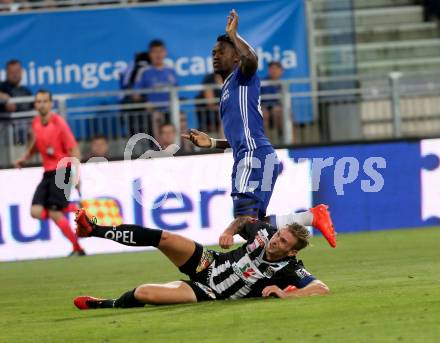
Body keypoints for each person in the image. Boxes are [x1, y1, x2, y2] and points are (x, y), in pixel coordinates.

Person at [182, 10, 336, 248]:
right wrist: (212, 143)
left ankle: (308, 226)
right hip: (255, 154)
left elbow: (252, 59)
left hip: (254, 156)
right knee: (253, 226)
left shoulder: (243, 77)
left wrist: (234, 35)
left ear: (236, 58)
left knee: (243, 223)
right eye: (213, 52)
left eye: (221, 51)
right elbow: (240, 135)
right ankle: (310, 218)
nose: (215, 55)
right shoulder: (227, 90)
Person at [73, 209, 329, 309]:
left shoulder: (291, 269)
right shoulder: (265, 232)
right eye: (279, 236)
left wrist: (287, 294)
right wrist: (229, 231)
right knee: (164, 238)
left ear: (293, 251)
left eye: (283, 242)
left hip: (209, 291)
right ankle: (93, 230)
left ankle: (106, 304)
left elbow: (322, 288)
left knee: (144, 293)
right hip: (210, 262)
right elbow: (243, 221)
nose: (276, 241)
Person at [14, 89, 85, 256]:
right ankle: (73, 208)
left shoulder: (58, 122)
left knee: (54, 212)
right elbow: (35, 143)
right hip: (47, 173)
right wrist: (25, 158)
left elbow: (74, 149)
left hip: (62, 169)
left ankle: (77, 248)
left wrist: (76, 175)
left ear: (51, 104)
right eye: (38, 101)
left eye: (45, 101)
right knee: (35, 212)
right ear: (35, 104)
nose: (41, 104)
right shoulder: (36, 122)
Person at [134, 39, 178, 139]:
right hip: (153, 110)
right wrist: (145, 102)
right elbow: (135, 95)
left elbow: (176, 91)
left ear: (165, 53)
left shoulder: (171, 71)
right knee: (157, 117)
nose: (158, 55)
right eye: (155, 52)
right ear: (150, 54)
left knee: (181, 116)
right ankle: (159, 149)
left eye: (161, 51)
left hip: (170, 109)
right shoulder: (144, 72)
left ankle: (183, 148)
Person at [261, 61, 284, 144]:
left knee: (282, 113)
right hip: (264, 107)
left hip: (277, 108)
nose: (273, 71)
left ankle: (284, 138)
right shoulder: (262, 82)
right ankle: (265, 143)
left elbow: (285, 102)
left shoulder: (283, 84)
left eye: (276, 69)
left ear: (281, 71)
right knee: (263, 114)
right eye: (271, 68)